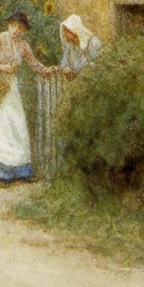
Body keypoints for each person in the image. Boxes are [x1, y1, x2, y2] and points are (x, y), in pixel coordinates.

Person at [0, 11, 52, 181]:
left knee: (16, 126)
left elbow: (34, 64)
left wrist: (47, 71)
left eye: (20, 28)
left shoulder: (23, 46)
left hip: (10, 89)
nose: (16, 30)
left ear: (24, 30)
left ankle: (21, 172)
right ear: (9, 25)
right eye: (14, 25)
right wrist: (1, 67)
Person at [34, 14, 103, 179]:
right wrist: (64, 69)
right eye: (64, 33)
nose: (66, 37)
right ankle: (71, 171)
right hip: (73, 90)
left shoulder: (93, 43)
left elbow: (100, 65)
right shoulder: (69, 46)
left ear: (76, 31)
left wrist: (80, 71)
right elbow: (64, 64)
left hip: (92, 90)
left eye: (68, 33)